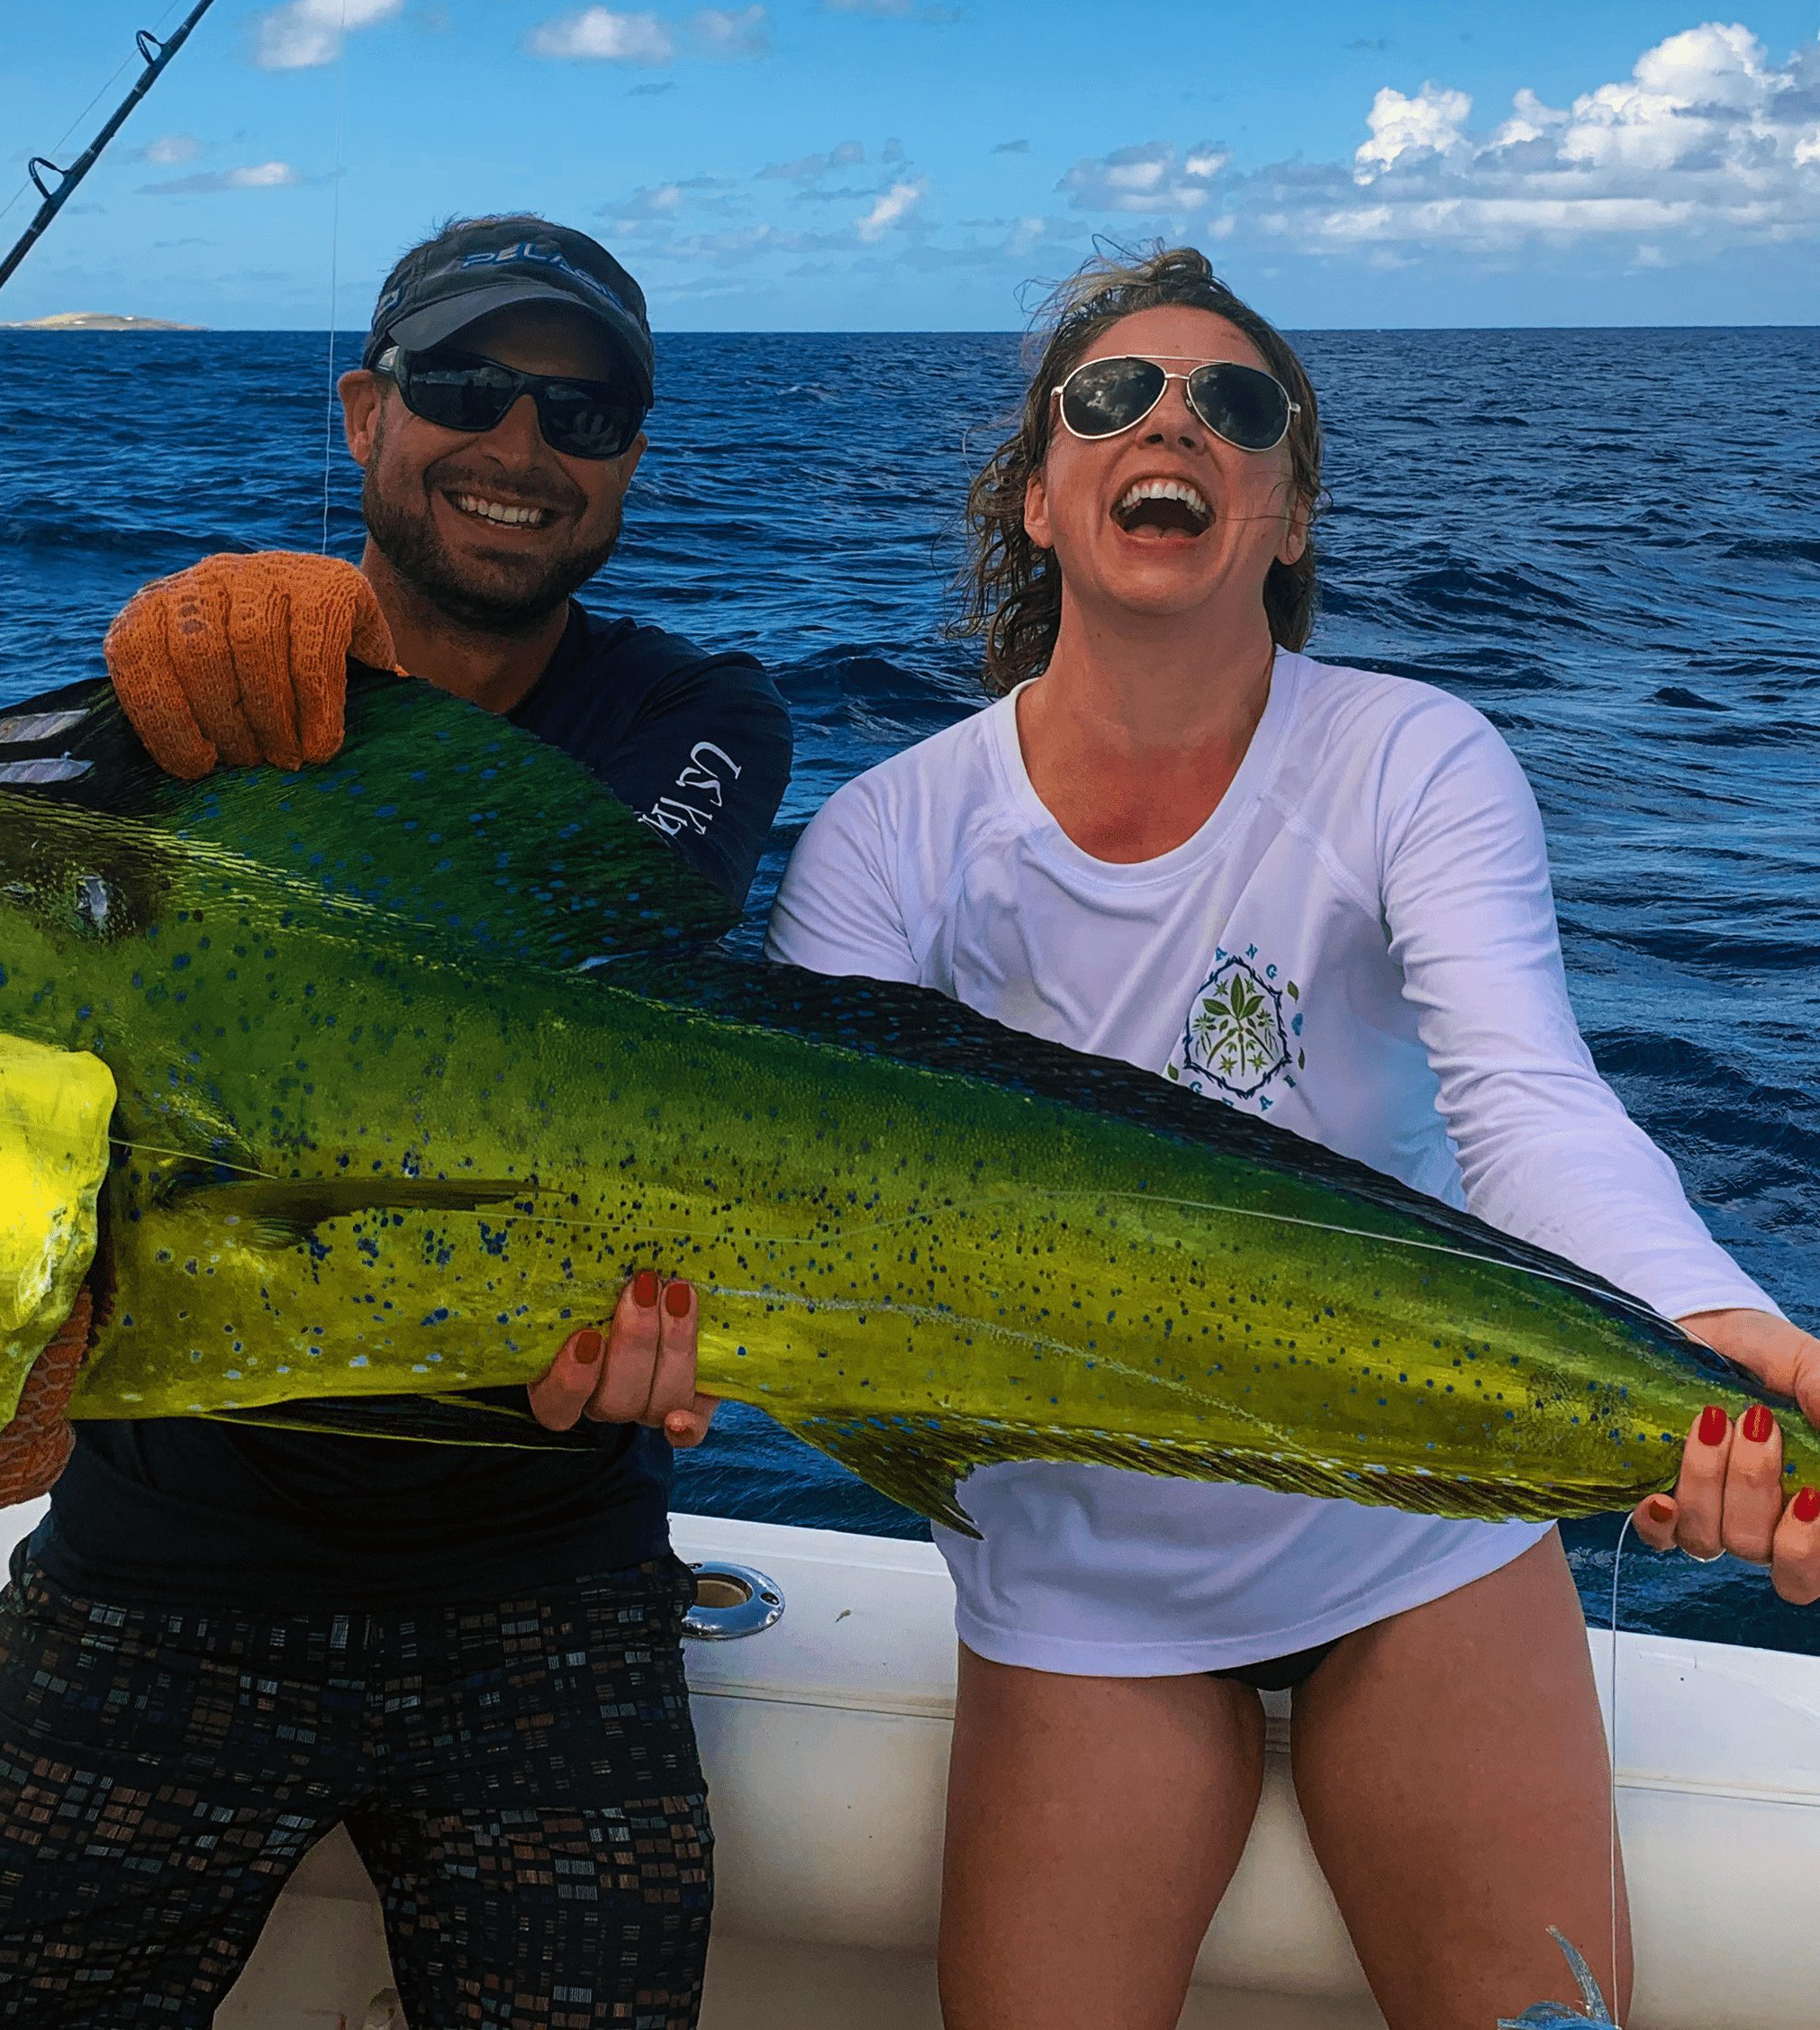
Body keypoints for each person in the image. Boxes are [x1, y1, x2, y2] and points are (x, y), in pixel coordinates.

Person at [765, 246, 1820, 2030]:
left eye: (1232, 404)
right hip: (1082, 1570)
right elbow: (816, 1233)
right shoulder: (883, 842)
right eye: (1110, 394)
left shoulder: (1415, 755)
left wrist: (1687, 1317)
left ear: (1287, 509)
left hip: (1412, 1548)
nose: (1169, 417)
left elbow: (1525, 1088)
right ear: (1036, 493)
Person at [0, 213, 788, 2030]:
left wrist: (347, 698)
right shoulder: (177, 709)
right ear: (362, 412)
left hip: (551, 1585)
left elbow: (558, 962)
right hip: (155, 1562)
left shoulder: (698, 711)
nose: (519, 444)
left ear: (632, 461)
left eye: (581, 412)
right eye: (463, 387)